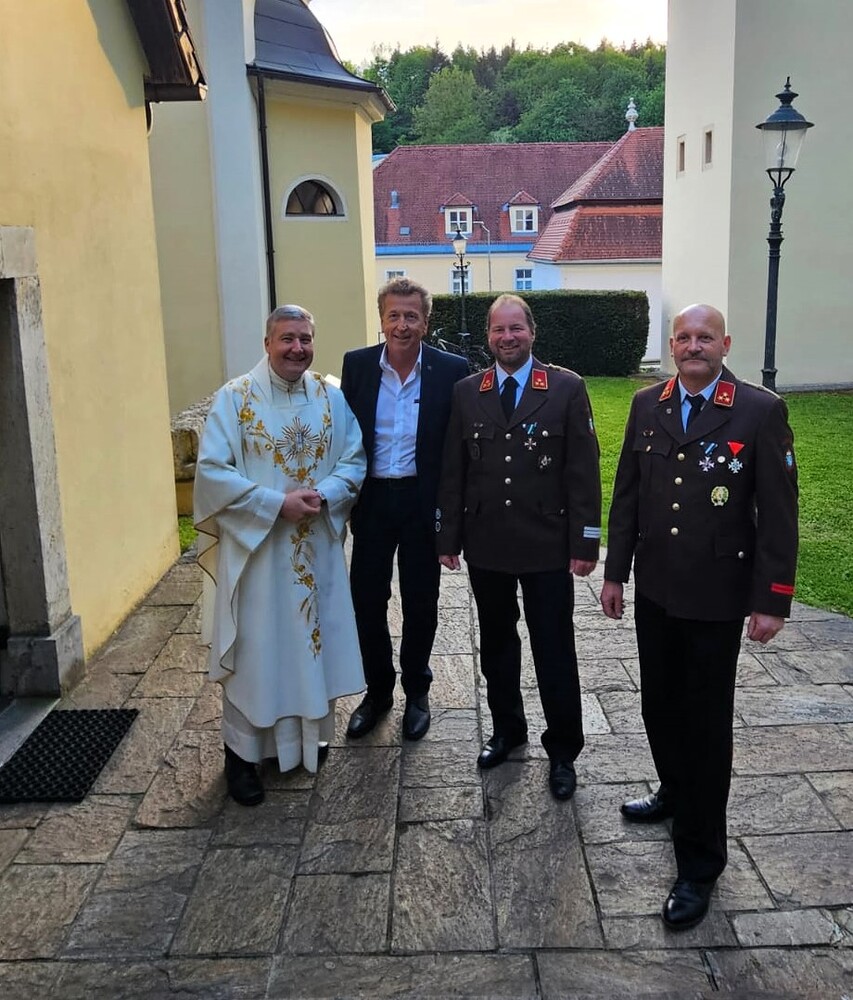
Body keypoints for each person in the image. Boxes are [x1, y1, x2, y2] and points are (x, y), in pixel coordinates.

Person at [601, 303, 798, 930]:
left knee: (706, 727)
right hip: (657, 589)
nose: (693, 346)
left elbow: (779, 514)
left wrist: (772, 599)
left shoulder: (759, 410)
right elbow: (628, 493)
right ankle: (674, 792)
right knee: (658, 706)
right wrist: (615, 571)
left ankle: (700, 862)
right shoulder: (647, 404)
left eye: (704, 337)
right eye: (683, 337)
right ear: (672, 345)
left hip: (717, 595)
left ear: (725, 344)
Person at [195, 304, 367, 806]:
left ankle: (300, 742)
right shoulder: (234, 399)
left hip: (314, 549)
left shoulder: (331, 397)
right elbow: (212, 472)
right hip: (258, 555)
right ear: (267, 342)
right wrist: (275, 505)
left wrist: (326, 495)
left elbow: (354, 458)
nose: (297, 348)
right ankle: (242, 757)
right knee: (259, 651)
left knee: (307, 646)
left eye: (305, 339)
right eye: (287, 338)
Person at [437, 293, 601, 800]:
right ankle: (508, 730)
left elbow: (583, 470)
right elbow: (454, 469)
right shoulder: (468, 392)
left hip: (547, 543)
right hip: (488, 543)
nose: (507, 338)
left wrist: (586, 542)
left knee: (554, 648)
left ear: (532, 332)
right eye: (498, 330)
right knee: (497, 646)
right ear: (488, 337)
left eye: (516, 328)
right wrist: (448, 536)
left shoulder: (566, 387)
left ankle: (563, 750)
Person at [341, 277, 468, 741]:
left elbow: (459, 446)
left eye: (411, 316)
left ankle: (417, 691)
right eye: (393, 315)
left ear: (425, 322)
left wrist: (452, 516)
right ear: (381, 319)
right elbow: (344, 435)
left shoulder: (451, 370)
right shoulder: (357, 366)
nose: (402, 325)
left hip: (420, 500)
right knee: (366, 599)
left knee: (421, 600)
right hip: (373, 499)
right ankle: (378, 692)